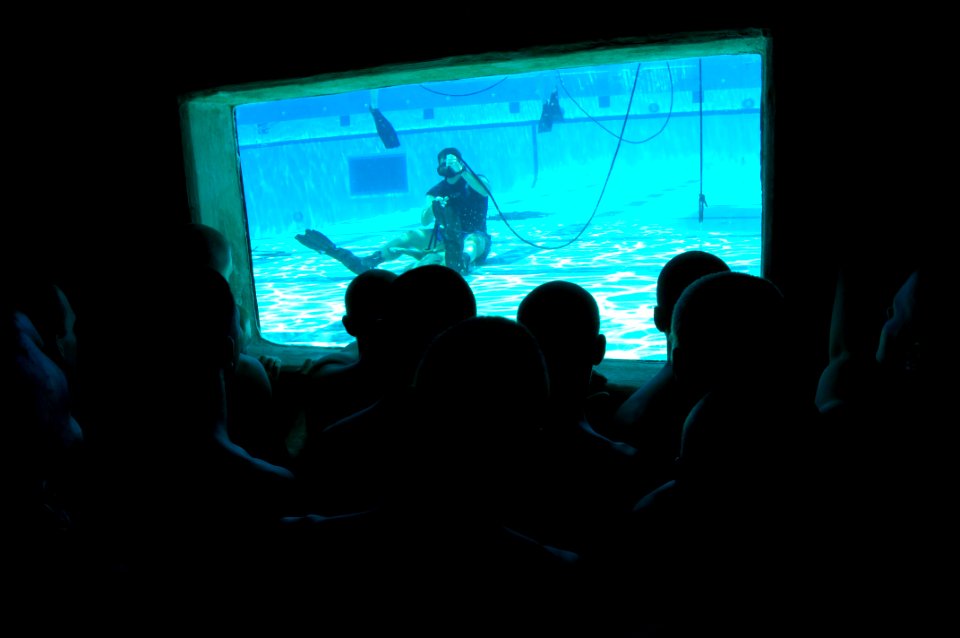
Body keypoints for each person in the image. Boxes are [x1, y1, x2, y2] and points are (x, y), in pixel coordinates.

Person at [296, 147, 492, 275]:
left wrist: (463, 170)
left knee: (473, 241)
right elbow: (424, 221)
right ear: (438, 166)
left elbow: (484, 190)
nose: (448, 166)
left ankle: (463, 261)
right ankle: (372, 260)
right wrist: (434, 207)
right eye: (444, 162)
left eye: (452, 162)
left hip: (474, 234)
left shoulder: (475, 180)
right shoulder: (435, 191)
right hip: (444, 237)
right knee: (409, 235)